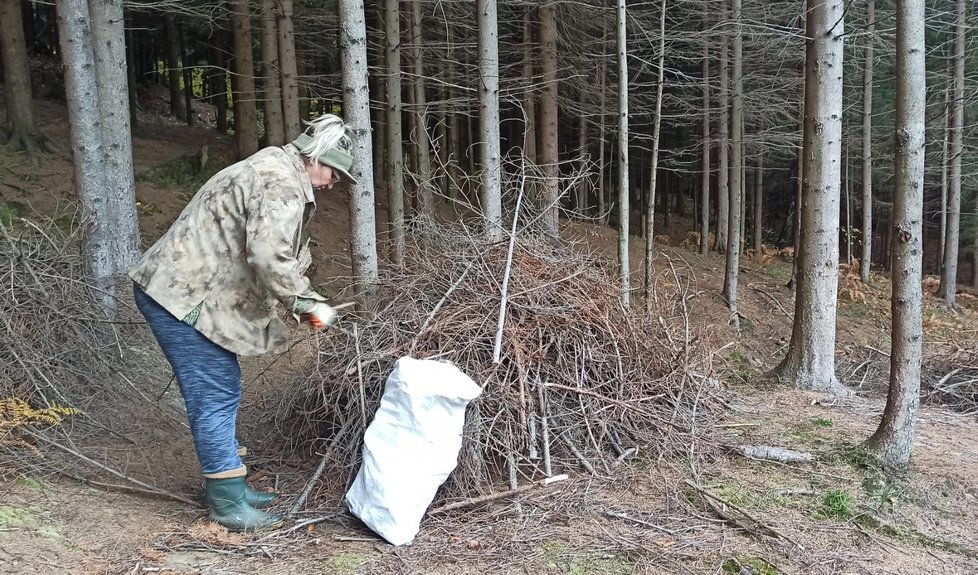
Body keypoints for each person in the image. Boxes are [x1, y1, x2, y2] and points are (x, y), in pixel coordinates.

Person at [129, 114, 355, 532]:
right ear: (315, 157)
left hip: (180, 289)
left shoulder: (272, 166)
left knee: (222, 386)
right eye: (334, 172)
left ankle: (230, 483)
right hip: (181, 297)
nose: (334, 183)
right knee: (214, 391)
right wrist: (309, 305)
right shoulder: (280, 183)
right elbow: (270, 257)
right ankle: (228, 504)